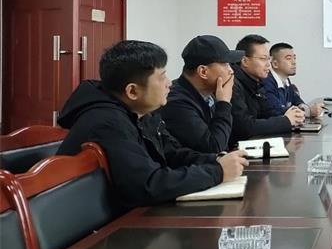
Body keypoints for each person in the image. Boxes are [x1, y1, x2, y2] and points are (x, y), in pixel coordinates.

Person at [56, 40, 248, 210]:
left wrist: (216, 160)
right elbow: (148, 185)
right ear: (132, 91)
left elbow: (171, 154)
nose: (169, 83)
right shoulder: (108, 122)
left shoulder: (141, 112)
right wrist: (217, 172)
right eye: (162, 77)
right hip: (107, 229)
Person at [161, 35, 242, 153]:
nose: (231, 70)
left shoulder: (209, 94)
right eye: (225, 64)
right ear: (203, 71)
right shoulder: (176, 103)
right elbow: (213, 148)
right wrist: (224, 103)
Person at [230, 34, 304, 145]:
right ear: (245, 61)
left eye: (268, 59)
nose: (269, 65)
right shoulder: (232, 84)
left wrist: (293, 114)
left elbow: (267, 112)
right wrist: (286, 121)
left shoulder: (256, 82)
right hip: (235, 149)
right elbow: (245, 127)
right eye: (263, 59)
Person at [262, 42, 324, 118]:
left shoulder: (286, 81)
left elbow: (297, 101)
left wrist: (306, 108)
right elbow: (275, 111)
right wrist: (308, 111)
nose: (294, 62)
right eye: (288, 58)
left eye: (294, 58)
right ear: (275, 64)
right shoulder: (266, 82)